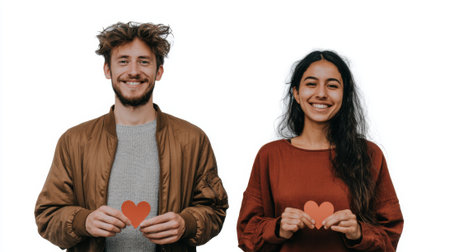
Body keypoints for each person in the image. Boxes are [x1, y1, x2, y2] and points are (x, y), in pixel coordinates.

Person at [35, 22, 228, 252]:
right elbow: (47, 215)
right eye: (123, 61)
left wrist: (186, 224)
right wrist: (83, 222)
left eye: (144, 61)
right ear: (108, 70)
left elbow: (215, 209)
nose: (134, 71)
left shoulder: (192, 140)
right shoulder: (74, 141)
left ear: (159, 71)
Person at [237, 51, 403, 251]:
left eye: (332, 85)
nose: (322, 93)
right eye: (311, 84)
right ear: (296, 94)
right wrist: (278, 227)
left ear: (345, 95)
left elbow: (390, 235)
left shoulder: (369, 154)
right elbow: (246, 234)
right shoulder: (270, 155)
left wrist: (359, 232)